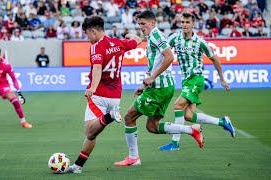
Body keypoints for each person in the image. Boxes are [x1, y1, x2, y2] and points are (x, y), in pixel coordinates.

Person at [113, 10, 204, 167]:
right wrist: (144, 84)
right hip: (163, 87)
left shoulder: (156, 35)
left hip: (159, 87)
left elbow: (169, 56)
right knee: (152, 127)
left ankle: (133, 158)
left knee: (129, 117)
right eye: (139, 24)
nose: (141, 27)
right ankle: (192, 130)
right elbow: (155, 63)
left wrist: (152, 77)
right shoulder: (152, 37)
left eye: (143, 24)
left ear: (152, 23)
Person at [66, 16, 141, 174]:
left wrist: (92, 88)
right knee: (92, 134)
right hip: (115, 96)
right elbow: (138, 40)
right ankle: (78, 166)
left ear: (93, 31)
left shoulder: (96, 46)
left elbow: (97, 69)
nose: (88, 38)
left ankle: (110, 116)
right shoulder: (118, 43)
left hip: (99, 94)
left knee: (89, 132)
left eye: (87, 34)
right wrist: (131, 36)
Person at [158, 11, 235, 151]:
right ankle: (222, 122)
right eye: (182, 22)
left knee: (177, 105)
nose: (184, 25)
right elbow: (163, 50)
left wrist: (222, 79)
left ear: (193, 24)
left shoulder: (200, 42)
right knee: (188, 116)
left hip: (196, 79)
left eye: (187, 22)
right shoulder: (175, 38)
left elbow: (215, 59)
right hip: (186, 81)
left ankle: (175, 143)